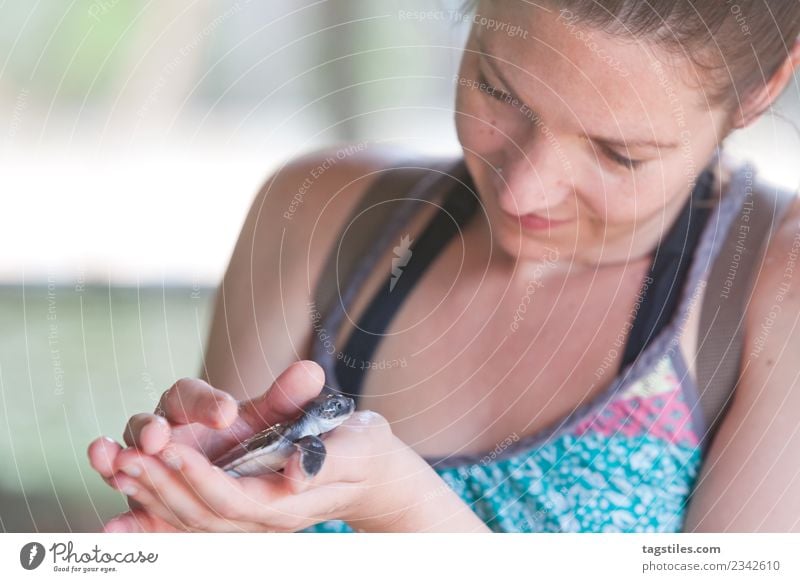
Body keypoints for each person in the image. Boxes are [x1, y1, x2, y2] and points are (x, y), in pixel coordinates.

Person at [88, 0, 800, 532]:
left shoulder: (775, 288)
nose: (523, 191)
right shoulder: (314, 219)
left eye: (618, 154)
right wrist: (193, 513)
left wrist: (409, 516)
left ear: (762, 89)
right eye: (500, 91)